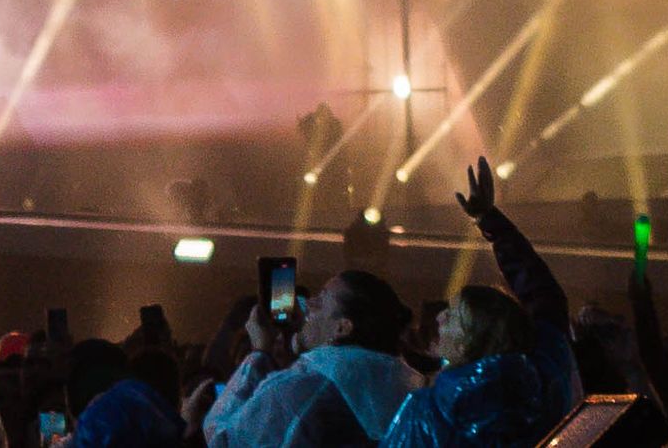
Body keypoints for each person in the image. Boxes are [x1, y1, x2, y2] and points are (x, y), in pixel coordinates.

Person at [383, 163, 579, 448]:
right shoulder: (545, 376)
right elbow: (544, 295)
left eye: (453, 317)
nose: (439, 319)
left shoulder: (430, 412)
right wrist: (490, 220)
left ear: (468, 345)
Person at [201, 267, 417, 448]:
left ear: (342, 327)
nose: (307, 303)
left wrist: (258, 353)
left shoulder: (301, 387)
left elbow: (222, 439)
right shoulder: (401, 391)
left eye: (321, 300)